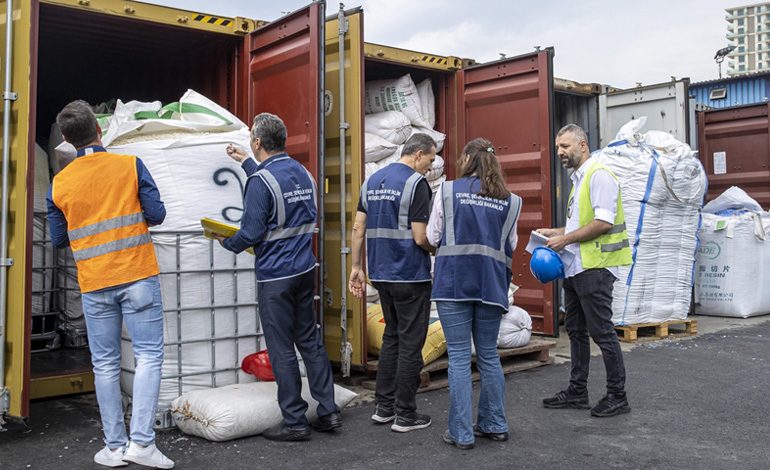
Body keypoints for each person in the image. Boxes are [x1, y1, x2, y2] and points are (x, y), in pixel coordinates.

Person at [47, 101, 173, 468]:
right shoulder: (130, 165)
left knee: (104, 364)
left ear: (67, 141)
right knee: (149, 356)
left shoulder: (60, 183)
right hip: (136, 275)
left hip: (95, 281)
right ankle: (143, 444)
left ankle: (114, 447)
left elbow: (58, 238)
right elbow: (157, 214)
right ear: (99, 131)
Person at [217, 112, 340, 441]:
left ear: (257, 142)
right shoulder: (303, 173)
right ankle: (328, 412)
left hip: (275, 276)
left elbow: (252, 231)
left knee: (281, 347)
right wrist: (246, 162)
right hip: (304, 270)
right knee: (310, 341)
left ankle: (295, 421)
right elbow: (277, 187)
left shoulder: (260, 182)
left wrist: (226, 241)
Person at [428, 138, 522, 449]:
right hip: (492, 284)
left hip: (454, 282)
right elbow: (510, 246)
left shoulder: (447, 190)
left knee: (457, 357)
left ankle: (461, 432)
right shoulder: (512, 201)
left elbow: (433, 235)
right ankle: (494, 423)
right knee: (489, 356)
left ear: (468, 158)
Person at [538, 123, 632, 418]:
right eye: (557, 148)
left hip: (596, 268)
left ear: (582, 145)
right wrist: (554, 232)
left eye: (564, 146)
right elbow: (579, 224)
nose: (559, 152)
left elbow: (603, 222)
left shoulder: (598, 175)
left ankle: (618, 395)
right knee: (576, 331)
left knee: (602, 332)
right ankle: (577, 391)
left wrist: (564, 239)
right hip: (576, 268)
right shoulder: (578, 180)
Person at [348, 133, 436, 432]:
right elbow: (420, 237)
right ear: (419, 153)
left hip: (381, 274)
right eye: (431, 160)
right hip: (411, 274)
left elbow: (358, 228)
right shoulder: (416, 184)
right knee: (412, 343)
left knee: (392, 338)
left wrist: (356, 267)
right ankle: (405, 415)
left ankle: (383, 407)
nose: (431, 167)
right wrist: (439, 247)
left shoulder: (371, 181)